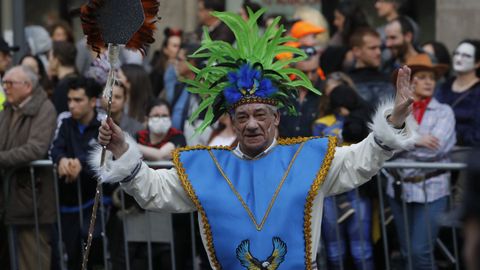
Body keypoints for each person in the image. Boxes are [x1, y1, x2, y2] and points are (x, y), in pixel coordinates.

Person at [93, 10, 416, 269]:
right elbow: (155, 192)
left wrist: (396, 120)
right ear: (230, 120)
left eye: (261, 115)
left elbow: (362, 161)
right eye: (242, 116)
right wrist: (122, 148)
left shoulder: (308, 159)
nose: (251, 125)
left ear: (276, 118)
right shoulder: (209, 168)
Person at [385, 54, 456, 270]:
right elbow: (385, 145)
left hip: (432, 188)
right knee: (407, 253)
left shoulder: (444, 112)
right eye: (422, 77)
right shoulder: (393, 111)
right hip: (398, 189)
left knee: (420, 252)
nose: (429, 82)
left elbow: (437, 148)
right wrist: (417, 140)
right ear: (409, 81)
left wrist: (402, 143)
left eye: (432, 78)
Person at [0, 65, 57, 270]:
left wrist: (2, 158)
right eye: (4, 83)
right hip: (10, 198)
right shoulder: (8, 109)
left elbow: (36, 149)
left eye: (10, 83)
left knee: (33, 259)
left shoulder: (44, 108)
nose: (5, 87)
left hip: (33, 198)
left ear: (28, 86)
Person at [49, 77, 106, 270]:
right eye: (70, 100)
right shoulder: (65, 122)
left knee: (95, 255)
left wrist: (80, 164)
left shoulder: (103, 123)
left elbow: (103, 154)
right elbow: (56, 148)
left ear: (92, 101)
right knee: (72, 256)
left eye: (78, 100)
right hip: (68, 203)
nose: (72, 105)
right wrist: (62, 161)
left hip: (96, 202)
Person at [436, 39, 480, 147]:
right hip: (437, 149)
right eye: (457, 54)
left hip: (469, 153)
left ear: (478, 63)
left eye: (466, 56)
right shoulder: (443, 87)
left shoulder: (477, 91)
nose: (459, 59)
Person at [348, 28, 395, 106]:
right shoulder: (346, 82)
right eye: (372, 48)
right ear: (357, 51)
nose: (379, 52)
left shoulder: (390, 79)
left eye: (380, 48)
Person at [150, 27, 183, 98]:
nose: (178, 49)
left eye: (180, 46)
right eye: (175, 46)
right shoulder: (157, 71)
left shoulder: (184, 69)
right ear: (165, 49)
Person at [49, 41, 78, 114]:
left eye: (50, 57)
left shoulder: (62, 87)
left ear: (56, 60)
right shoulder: (79, 79)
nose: (49, 61)